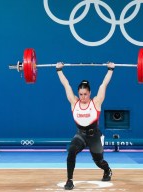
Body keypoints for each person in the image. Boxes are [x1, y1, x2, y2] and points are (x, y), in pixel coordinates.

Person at [56, 62, 115, 190]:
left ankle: (107, 169)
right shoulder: (74, 102)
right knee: (71, 150)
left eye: (85, 94)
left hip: (94, 136)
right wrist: (59, 70)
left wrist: (110, 69)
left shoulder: (96, 102)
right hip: (81, 135)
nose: (83, 97)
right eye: (81, 94)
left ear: (90, 93)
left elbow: (103, 85)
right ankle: (69, 180)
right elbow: (66, 84)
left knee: (98, 161)